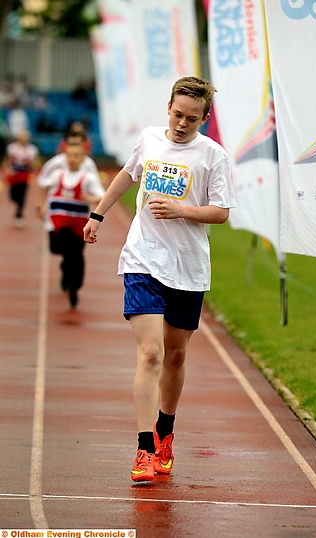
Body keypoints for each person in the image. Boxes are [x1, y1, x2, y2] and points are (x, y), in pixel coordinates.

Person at [83, 76, 236, 482]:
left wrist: (182, 209)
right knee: (150, 353)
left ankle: (165, 432)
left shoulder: (213, 155)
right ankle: (144, 448)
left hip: (187, 267)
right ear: (168, 106)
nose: (183, 123)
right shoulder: (149, 139)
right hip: (143, 258)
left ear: (205, 118)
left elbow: (221, 211)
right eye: (177, 114)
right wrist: (98, 214)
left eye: (192, 118)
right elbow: (126, 175)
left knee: (176, 355)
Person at [37, 140, 105, 308]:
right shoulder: (57, 175)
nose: (72, 159)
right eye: (69, 156)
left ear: (83, 159)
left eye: (76, 156)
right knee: (59, 250)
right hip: (58, 222)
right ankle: (66, 269)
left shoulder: (87, 178)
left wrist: (88, 198)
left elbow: (102, 197)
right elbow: (43, 187)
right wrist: (43, 205)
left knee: (75, 255)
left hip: (77, 225)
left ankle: (74, 287)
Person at [3, 129, 39, 227]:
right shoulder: (12, 148)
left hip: (24, 173)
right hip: (14, 173)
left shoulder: (32, 149)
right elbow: (7, 159)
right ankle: (16, 201)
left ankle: (19, 215)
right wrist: (7, 169)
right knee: (13, 195)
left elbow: (35, 163)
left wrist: (33, 166)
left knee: (22, 195)